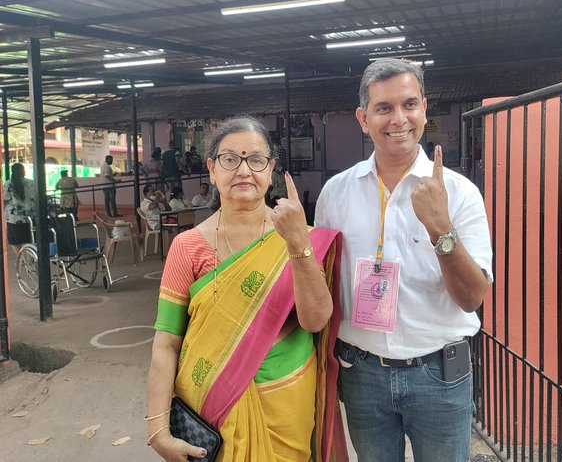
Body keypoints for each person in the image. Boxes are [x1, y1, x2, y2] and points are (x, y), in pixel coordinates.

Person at [315, 58, 493, 462]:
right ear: (363, 118)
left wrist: (440, 230)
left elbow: (472, 298)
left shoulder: (460, 193)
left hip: (440, 375)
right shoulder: (335, 194)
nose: (399, 119)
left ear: (424, 109)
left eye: (409, 104)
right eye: (383, 108)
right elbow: (321, 286)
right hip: (361, 374)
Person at [146, 116, 346, 462]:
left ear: (270, 171)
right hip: (213, 412)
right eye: (229, 159)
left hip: (286, 404)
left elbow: (315, 321)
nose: (243, 170)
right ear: (211, 169)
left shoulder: (301, 237)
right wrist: (158, 430)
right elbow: (167, 343)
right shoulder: (187, 247)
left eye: (255, 160)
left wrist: (298, 243)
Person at [3, 163, 35, 254]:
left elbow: (5, 199)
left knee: (15, 241)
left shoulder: (9, 184)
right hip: (30, 216)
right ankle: (32, 256)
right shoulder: (32, 183)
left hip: (13, 218)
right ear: (23, 171)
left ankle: (22, 259)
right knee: (30, 238)